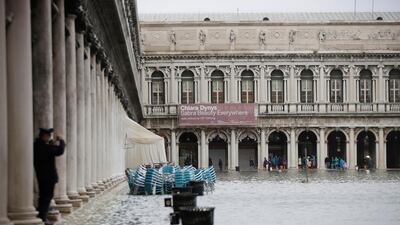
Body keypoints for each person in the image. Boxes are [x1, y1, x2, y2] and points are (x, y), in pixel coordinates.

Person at [34, 128, 65, 224]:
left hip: (41, 176)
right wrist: (62, 141)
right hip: (48, 177)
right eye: (48, 136)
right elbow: (59, 151)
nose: (50, 137)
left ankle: (41, 216)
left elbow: (49, 150)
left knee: (43, 197)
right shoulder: (45, 148)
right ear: (44, 136)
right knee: (47, 197)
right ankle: (43, 218)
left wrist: (51, 144)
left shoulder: (36, 146)